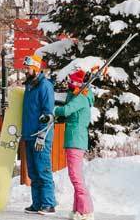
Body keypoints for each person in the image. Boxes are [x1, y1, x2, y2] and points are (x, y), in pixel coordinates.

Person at [54, 69, 95, 220]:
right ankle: (78, 209)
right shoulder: (78, 96)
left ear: (77, 82)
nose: (69, 83)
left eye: (71, 81)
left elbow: (66, 110)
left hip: (75, 139)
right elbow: (69, 115)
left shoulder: (80, 98)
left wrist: (52, 110)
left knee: (76, 176)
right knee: (75, 175)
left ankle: (86, 210)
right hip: (74, 139)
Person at [21, 54, 57, 215]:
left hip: (41, 136)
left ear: (36, 68)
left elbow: (48, 113)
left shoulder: (44, 86)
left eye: (28, 68)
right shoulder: (29, 86)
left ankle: (49, 204)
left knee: (43, 170)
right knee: (33, 172)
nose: (25, 71)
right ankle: (37, 203)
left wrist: (42, 135)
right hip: (29, 134)